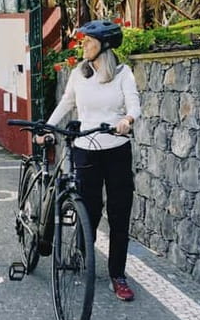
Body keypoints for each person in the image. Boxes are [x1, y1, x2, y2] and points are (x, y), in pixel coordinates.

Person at [36, 19, 140, 301]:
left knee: (119, 214)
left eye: (89, 41)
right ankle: (83, 257)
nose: (83, 45)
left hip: (117, 148)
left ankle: (117, 275)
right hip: (85, 148)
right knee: (89, 211)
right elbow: (67, 102)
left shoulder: (123, 74)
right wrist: (47, 128)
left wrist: (127, 120)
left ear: (104, 45)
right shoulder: (78, 74)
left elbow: (133, 105)